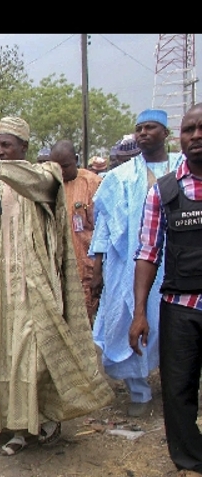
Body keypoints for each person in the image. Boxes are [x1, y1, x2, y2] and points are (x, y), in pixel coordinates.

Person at [0, 116, 114, 455]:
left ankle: (41, 422)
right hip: (2, 286)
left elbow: (34, 181)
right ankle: (14, 422)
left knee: (33, 354)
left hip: (34, 285)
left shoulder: (45, 175)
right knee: (5, 352)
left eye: (6, 145)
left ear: (24, 147)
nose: (0, 151)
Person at [129, 102, 202, 477]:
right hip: (180, 307)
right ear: (180, 138)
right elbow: (147, 253)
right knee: (178, 390)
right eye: (189, 129)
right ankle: (189, 466)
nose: (196, 136)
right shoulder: (164, 192)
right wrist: (139, 312)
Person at [89, 109, 183, 417]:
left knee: (175, 325)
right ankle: (139, 389)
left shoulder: (184, 168)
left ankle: (177, 388)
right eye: (139, 128)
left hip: (178, 263)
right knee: (129, 321)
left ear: (165, 133)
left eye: (150, 127)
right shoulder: (120, 177)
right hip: (130, 264)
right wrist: (98, 266)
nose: (143, 133)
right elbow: (104, 224)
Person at [49, 139, 103, 323]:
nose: (61, 172)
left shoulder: (93, 184)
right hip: (57, 270)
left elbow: (103, 231)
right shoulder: (49, 185)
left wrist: (98, 272)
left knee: (83, 322)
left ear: (76, 160)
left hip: (86, 270)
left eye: (65, 166)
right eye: (56, 167)